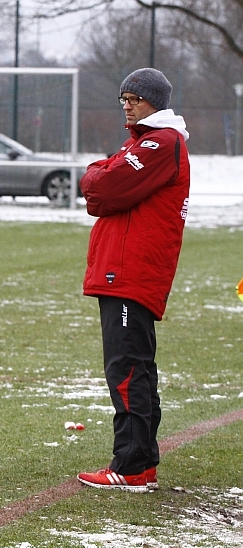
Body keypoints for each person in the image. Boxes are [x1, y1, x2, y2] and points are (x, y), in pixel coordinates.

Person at [76, 68, 190, 492]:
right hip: (125, 273)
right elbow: (102, 181)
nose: (126, 104)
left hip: (130, 273)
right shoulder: (144, 142)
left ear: (155, 101)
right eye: (123, 97)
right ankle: (138, 461)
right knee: (134, 368)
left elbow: (102, 188)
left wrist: (96, 173)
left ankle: (132, 466)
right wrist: (99, 173)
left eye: (135, 98)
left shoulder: (161, 142)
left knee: (127, 370)